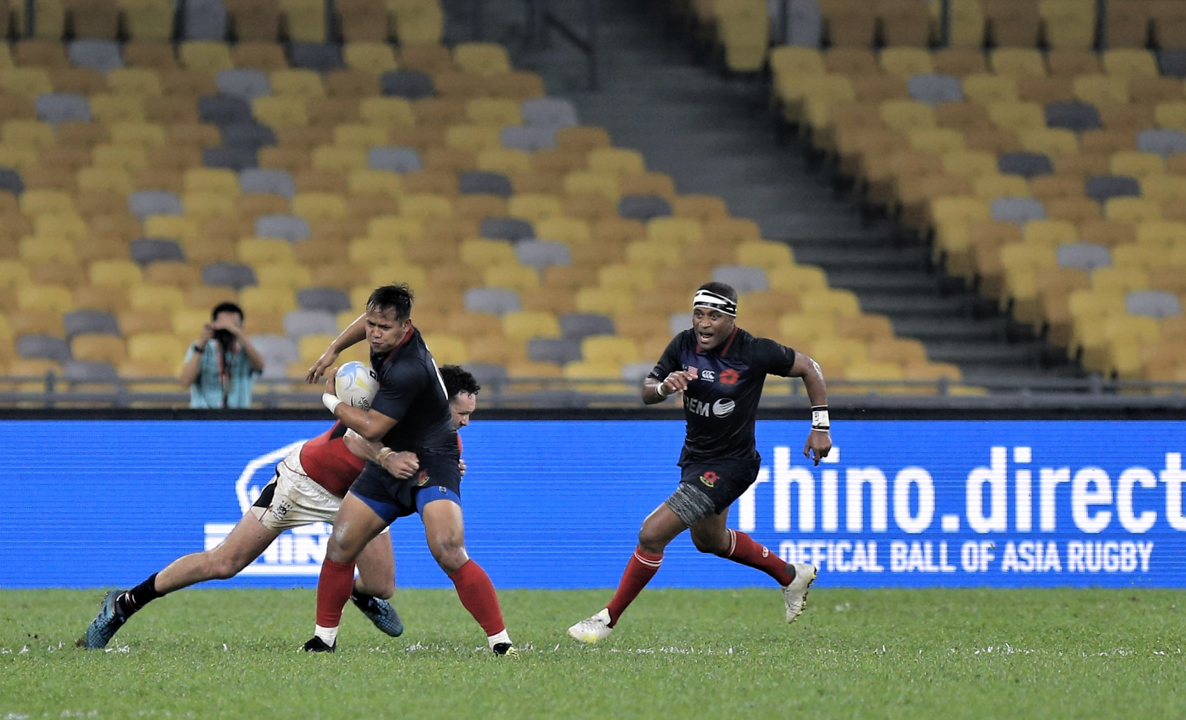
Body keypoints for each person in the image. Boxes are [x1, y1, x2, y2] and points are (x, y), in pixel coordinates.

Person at [567, 281, 833, 644]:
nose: (703, 323)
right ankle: (790, 574)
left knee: (652, 533)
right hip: (695, 460)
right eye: (698, 314)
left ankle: (606, 619)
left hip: (733, 464)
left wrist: (820, 426)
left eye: (713, 315)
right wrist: (664, 387)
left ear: (730, 319)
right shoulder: (682, 344)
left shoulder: (754, 351)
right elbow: (648, 390)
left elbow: (810, 367)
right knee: (709, 541)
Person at [302, 284, 516, 655]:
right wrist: (333, 349)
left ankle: (501, 643)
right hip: (390, 456)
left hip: (432, 458)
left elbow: (369, 428)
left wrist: (331, 400)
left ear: (406, 327)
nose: (374, 333)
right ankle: (323, 640)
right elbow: (361, 326)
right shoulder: (383, 336)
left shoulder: (408, 369)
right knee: (341, 543)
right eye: (372, 324)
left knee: (448, 548)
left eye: (384, 327)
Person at [80, 419, 403, 649]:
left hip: (360, 491)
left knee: (381, 586)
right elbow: (352, 435)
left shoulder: (442, 432)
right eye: (456, 414)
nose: (457, 421)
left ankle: (358, 593)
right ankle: (125, 603)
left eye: (458, 418)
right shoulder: (400, 396)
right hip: (306, 484)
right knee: (224, 563)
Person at [180, 301, 266, 409]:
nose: (228, 331)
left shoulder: (248, 348)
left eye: (233, 326)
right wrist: (201, 345)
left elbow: (260, 366)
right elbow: (185, 382)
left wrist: (238, 334)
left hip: (239, 417)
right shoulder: (200, 347)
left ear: (241, 327)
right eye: (224, 326)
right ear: (214, 325)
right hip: (203, 417)